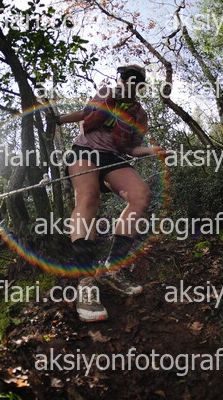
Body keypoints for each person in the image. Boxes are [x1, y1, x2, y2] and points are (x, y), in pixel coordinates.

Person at [55, 64, 166, 322]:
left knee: (141, 196)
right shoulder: (106, 93)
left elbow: (131, 149)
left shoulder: (140, 114)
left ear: (140, 85)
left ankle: (114, 268)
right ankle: (86, 283)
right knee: (88, 197)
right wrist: (57, 120)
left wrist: (152, 151)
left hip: (114, 157)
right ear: (120, 79)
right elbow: (86, 114)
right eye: (125, 78)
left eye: (135, 80)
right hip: (85, 152)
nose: (129, 82)